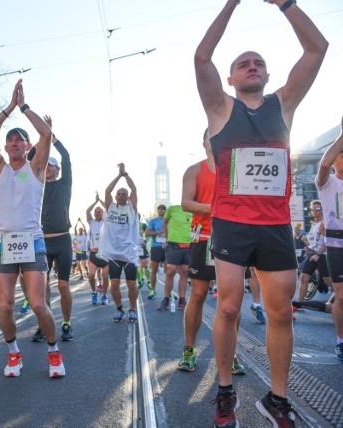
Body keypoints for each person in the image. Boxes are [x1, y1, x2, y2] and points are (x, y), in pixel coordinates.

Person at [195, 0, 328, 426]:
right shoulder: (219, 109)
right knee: (230, 308)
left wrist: (286, 4)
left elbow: (317, 49)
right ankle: (225, 390)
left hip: (274, 226)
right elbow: (201, 57)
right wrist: (232, 3)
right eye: (243, 64)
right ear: (231, 78)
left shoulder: (283, 104)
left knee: (280, 312)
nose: (252, 67)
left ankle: (277, 399)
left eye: (259, 63)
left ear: (268, 75)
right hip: (233, 225)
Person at [0, 79, 65, 378]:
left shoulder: (37, 168)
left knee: (38, 305)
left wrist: (24, 106)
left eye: (20, 140)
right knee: (4, 306)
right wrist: (9, 108)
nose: (14, 143)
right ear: (6, 147)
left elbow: (47, 133)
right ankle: (13, 353)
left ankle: (54, 353)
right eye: (10, 140)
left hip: (32, 240)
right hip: (4, 243)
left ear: (28, 147)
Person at [179, 130, 247, 374]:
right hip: (204, 237)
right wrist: (216, 208)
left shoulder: (235, 168)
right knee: (198, 293)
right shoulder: (194, 170)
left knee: (233, 300)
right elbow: (186, 203)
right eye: (211, 136)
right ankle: (189, 350)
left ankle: (232, 353)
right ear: (204, 142)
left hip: (233, 237)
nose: (216, 140)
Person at [27, 115, 74, 343]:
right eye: (47, 166)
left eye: (52, 167)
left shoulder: (65, 184)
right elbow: (29, 158)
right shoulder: (36, 185)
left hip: (63, 240)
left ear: (56, 170)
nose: (49, 170)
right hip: (42, 241)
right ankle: (43, 325)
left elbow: (65, 156)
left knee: (63, 285)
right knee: (42, 287)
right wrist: (41, 136)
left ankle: (66, 323)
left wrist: (51, 136)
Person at [315, 115, 343, 361]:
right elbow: (323, 165)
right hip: (336, 245)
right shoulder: (328, 182)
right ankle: (341, 340)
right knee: (341, 296)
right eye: (340, 154)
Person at [99, 163, 141, 323]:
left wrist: (126, 175)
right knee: (114, 283)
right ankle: (119, 309)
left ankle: (132, 309)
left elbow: (134, 189)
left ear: (128, 197)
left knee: (131, 284)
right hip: (114, 252)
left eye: (124, 193)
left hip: (129, 252)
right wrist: (118, 175)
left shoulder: (132, 208)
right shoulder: (110, 207)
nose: (121, 195)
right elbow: (107, 191)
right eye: (119, 194)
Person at [157, 205, 192, 311]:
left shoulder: (195, 210)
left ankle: (182, 299)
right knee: (170, 271)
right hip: (173, 244)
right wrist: (167, 238)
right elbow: (165, 223)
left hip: (189, 244)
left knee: (185, 272)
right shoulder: (172, 209)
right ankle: (166, 298)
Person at [296, 200, 332, 302]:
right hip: (312, 254)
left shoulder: (323, 224)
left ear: (322, 210)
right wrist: (308, 247)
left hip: (322, 255)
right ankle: (300, 303)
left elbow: (327, 242)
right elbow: (314, 242)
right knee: (303, 278)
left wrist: (318, 254)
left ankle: (339, 296)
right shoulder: (313, 224)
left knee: (327, 280)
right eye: (312, 209)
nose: (314, 211)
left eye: (317, 209)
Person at [85, 194, 109, 305]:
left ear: (103, 213)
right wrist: (95, 202)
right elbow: (87, 211)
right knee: (90, 275)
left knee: (105, 276)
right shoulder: (91, 222)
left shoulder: (106, 221)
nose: (97, 213)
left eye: (99, 211)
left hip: (104, 254)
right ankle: (94, 292)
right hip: (94, 254)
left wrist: (100, 200)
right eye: (96, 212)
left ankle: (104, 295)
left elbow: (108, 208)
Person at [144, 204, 167, 299]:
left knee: (169, 270)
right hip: (156, 247)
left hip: (168, 247)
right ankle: (152, 290)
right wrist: (157, 232)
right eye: (159, 209)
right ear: (157, 211)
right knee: (154, 269)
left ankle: (168, 292)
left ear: (166, 211)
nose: (161, 211)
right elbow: (147, 233)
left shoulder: (170, 221)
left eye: (163, 209)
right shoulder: (153, 221)